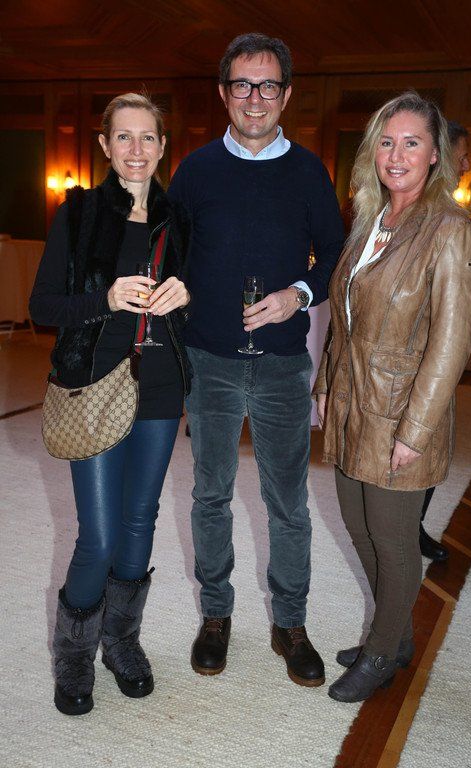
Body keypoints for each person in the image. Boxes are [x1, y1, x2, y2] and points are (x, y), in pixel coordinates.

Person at [167, 33, 344, 687]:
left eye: (268, 85)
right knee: (210, 495)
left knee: (288, 503)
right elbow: (172, 257)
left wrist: (298, 295)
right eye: (242, 84)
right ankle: (216, 616)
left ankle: (290, 623)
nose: (255, 98)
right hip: (209, 360)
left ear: (286, 95)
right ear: (224, 93)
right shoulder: (195, 171)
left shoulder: (309, 173)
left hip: (281, 365)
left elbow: (335, 256)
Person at [314, 91, 471, 703]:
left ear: (436, 155)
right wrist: (326, 386)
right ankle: (398, 633)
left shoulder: (451, 231)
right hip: (352, 404)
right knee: (358, 529)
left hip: (402, 412)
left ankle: (383, 651)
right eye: (386, 142)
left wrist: (416, 429)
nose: (396, 154)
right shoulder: (369, 221)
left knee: (392, 540)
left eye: (412, 142)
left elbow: (452, 344)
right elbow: (343, 319)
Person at [30, 92, 191, 716]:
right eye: (123, 136)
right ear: (104, 145)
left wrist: (186, 295)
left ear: (163, 145)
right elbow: (44, 306)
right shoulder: (79, 213)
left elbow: (201, 300)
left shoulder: (179, 218)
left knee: (139, 522)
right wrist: (107, 297)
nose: (136, 149)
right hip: (93, 385)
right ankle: (73, 654)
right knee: (98, 537)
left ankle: (121, 641)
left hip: (160, 384)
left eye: (148, 137)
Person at [419, 119, 471, 561]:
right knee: (428, 440)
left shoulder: (449, 211)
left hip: (437, 341)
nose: (467, 166)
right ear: (441, 156)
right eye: (463, 156)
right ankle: (408, 529)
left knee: (433, 441)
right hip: (425, 346)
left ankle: (411, 525)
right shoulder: (434, 213)